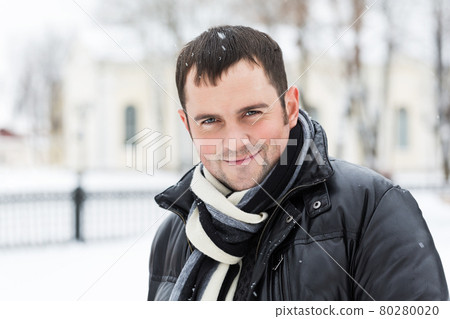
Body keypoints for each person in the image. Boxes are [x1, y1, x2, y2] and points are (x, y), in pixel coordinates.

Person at [147, 25, 448, 301]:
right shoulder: (174, 234)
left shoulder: (372, 210)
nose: (235, 141)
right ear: (187, 126)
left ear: (289, 107)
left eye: (251, 113)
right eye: (210, 120)